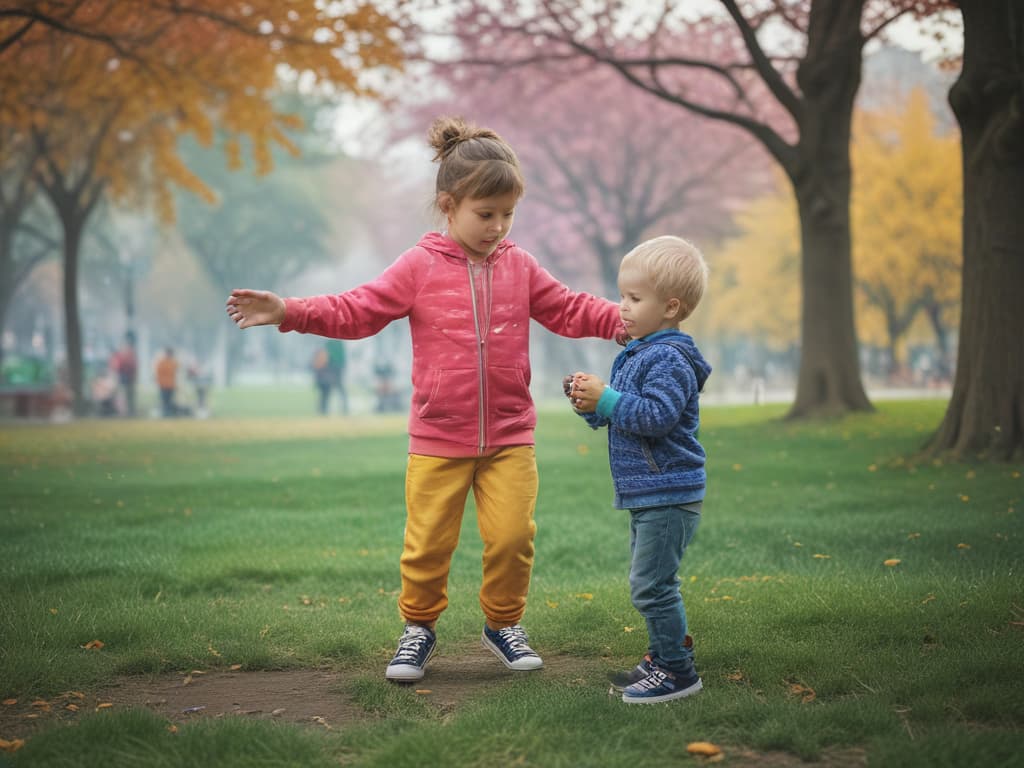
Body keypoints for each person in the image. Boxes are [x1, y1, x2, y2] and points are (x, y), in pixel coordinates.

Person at [226, 116, 626, 683]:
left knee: (513, 538)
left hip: (510, 434)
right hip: (439, 437)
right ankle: (418, 629)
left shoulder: (520, 266)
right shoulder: (417, 267)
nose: (497, 227)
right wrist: (289, 311)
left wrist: (624, 320)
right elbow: (356, 310)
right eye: (485, 215)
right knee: (427, 547)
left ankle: (502, 624)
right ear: (448, 205)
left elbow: (569, 307)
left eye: (507, 215)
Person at [567, 235, 711, 705]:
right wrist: (591, 403)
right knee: (649, 582)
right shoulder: (638, 351)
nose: (622, 307)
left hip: (669, 492)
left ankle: (677, 672)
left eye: (634, 298)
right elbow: (623, 415)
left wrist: (607, 397)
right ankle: (661, 654)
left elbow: (655, 417)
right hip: (649, 492)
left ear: (670, 307)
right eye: (621, 295)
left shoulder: (668, 358)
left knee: (651, 586)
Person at [110, 331, 138, 416]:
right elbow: (117, 366)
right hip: (125, 376)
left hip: (127, 376)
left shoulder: (128, 354)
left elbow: (133, 365)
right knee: (124, 395)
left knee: (127, 395)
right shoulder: (125, 354)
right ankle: (124, 411)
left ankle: (128, 411)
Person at [154, 347, 179, 418]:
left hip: (169, 385)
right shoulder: (162, 362)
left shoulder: (172, 362)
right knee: (165, 400)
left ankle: (167, 413)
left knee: (168, 400)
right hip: (164, 385)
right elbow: (158, 373)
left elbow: (176, 371)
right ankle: (165, 413)